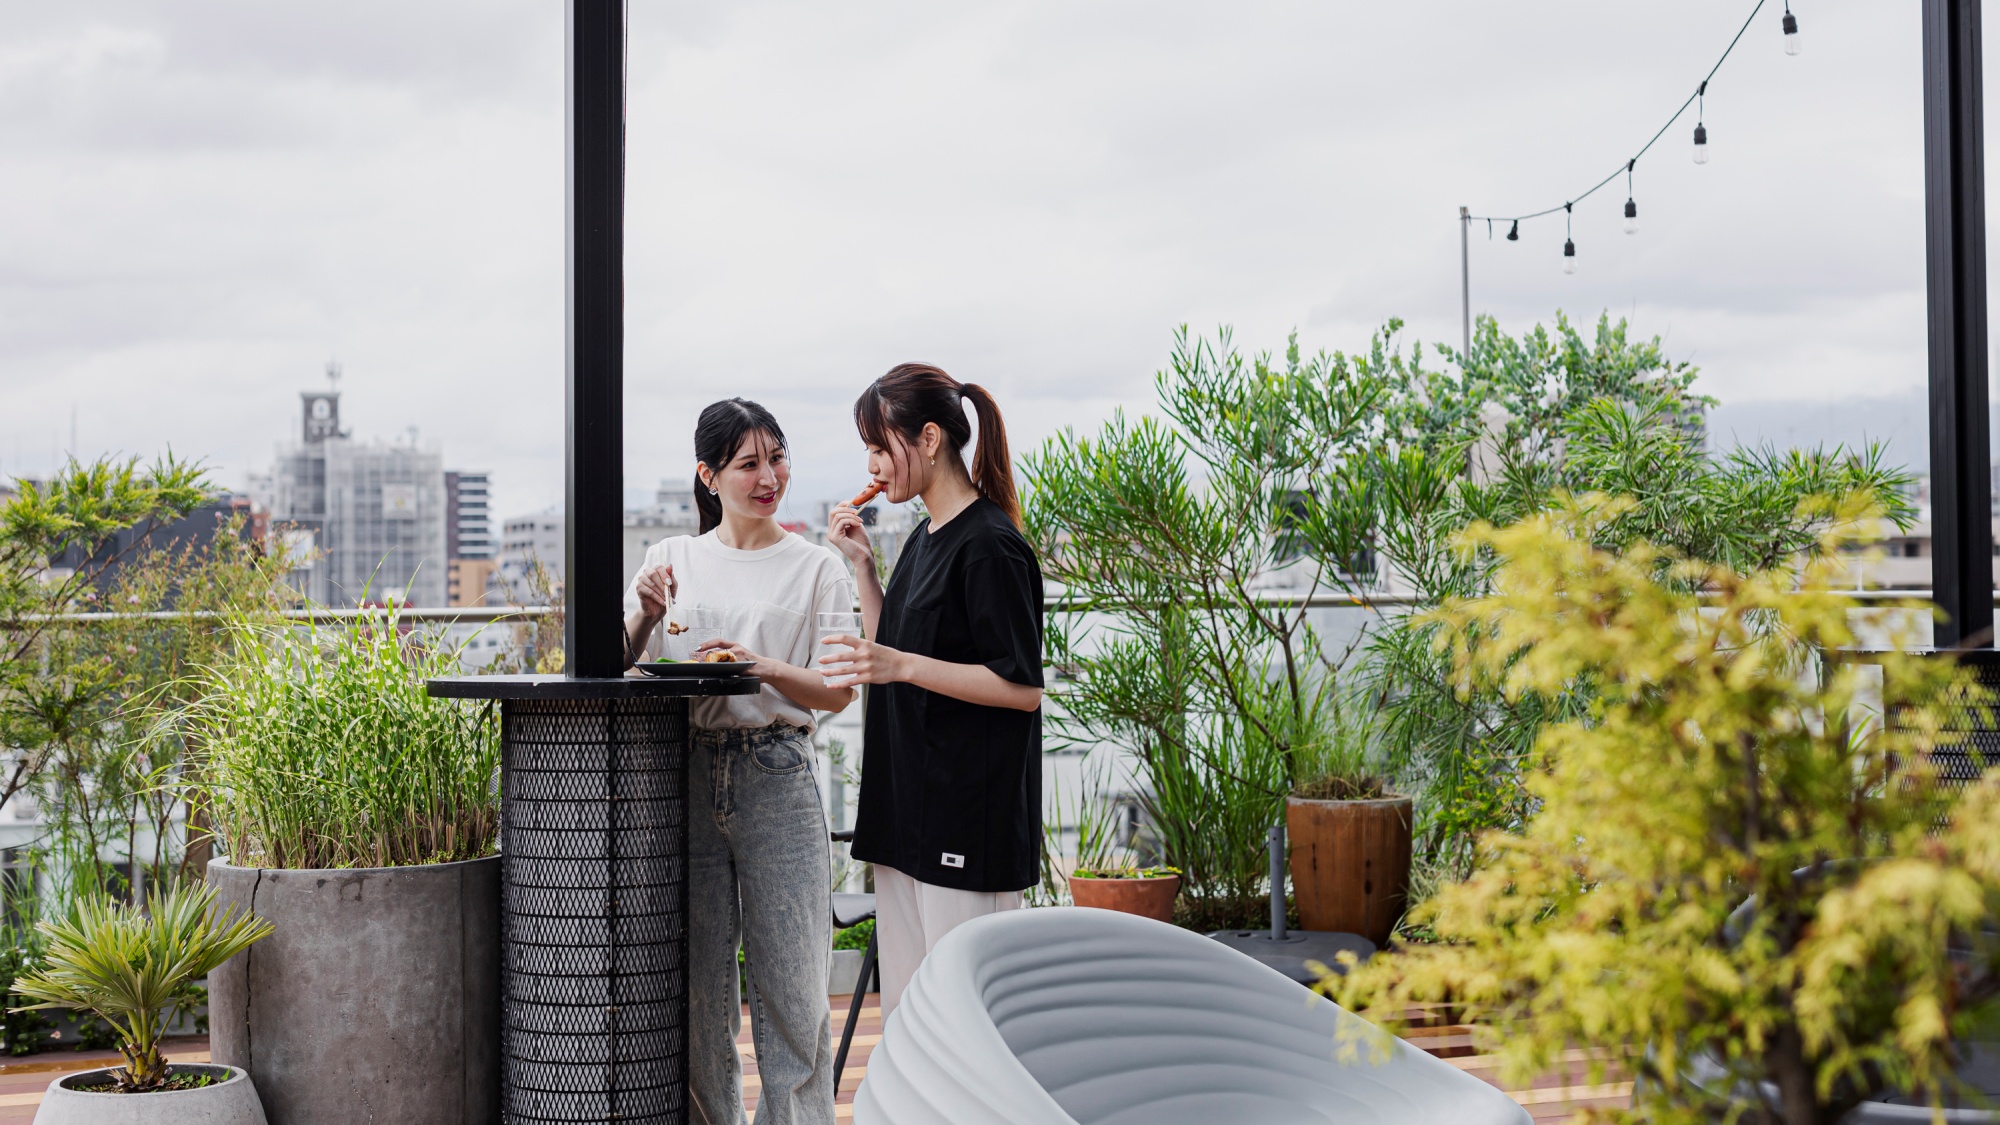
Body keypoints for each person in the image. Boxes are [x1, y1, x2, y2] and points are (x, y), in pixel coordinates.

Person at [622, 398, 856, 1125]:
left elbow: (839, 690)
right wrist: (645, 614)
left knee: (792, 985)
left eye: (776, 457)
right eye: (749, 463)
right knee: (697, 991)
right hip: (686, 774)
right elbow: (619, 664)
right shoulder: (669, 560)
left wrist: (763, 667)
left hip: (777, 771)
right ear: (708, 474)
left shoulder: (816, 567)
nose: (768, 476)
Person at [822, 363, 1044, 1022]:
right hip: (906, 816)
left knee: (969, 1021)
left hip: (964, 823)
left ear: (927, 438)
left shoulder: (991, 547)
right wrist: (862, 567)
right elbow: (890, 645)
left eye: (878, 444)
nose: (871, 463)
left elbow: (1021, 688)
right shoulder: (922, 536)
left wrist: (902, 665)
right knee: (914, 1017)